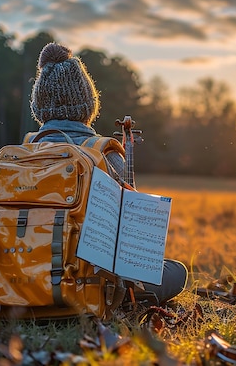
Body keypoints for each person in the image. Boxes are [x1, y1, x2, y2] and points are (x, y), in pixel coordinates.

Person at [28, 42, 187, 306]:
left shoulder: (21, 154)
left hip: (18, 279)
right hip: (85, 286)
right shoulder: (104, 154)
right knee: (177, 271)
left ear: (37, 107)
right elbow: (128, 243)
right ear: (90, 105)